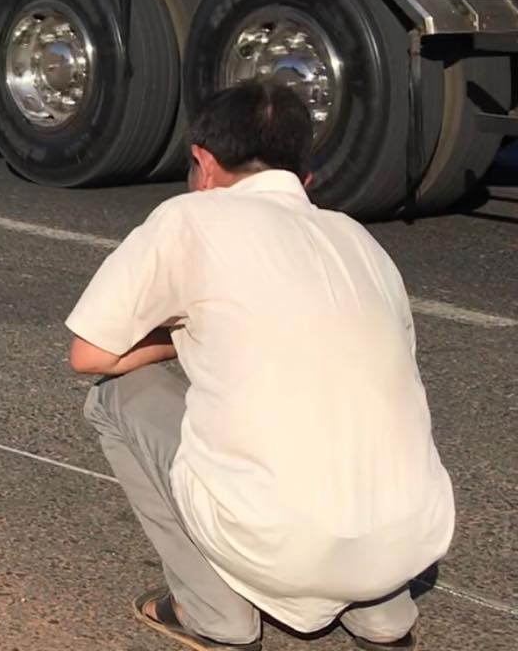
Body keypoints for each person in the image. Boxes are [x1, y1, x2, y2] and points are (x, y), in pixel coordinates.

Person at [67, 81, 451, 651]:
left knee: (115, 395)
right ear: (306, 178)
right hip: (411, 538)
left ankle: (215, 615)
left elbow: (89, 352)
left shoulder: (189, 218)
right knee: (350, 404)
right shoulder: (358, 240)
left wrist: (180, 334)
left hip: (279, 539)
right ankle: (381, 616)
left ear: (202, 162)